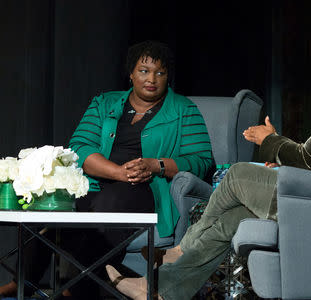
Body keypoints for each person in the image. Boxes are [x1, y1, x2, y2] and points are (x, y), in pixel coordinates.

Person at [105, 38, 311, 300]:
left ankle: (184, 247)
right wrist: (280, 149)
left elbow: (309, 161)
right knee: (234, 217)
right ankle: (159, 290)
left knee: (238, 174)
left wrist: (268, 140)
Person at [0, 40, 213, 299]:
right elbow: (81, 147)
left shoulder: (184, 109)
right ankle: (22, 281)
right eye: (144, 71)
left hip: (145, 188)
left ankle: (77, 287)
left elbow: (201, 160)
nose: (151, 79)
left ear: (168, 77)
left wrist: (155, 165)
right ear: (131, 73)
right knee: (50, 204)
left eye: (160, 72)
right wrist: (117, 172)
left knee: (110, 201)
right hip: (98, 180)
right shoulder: (104, 103)